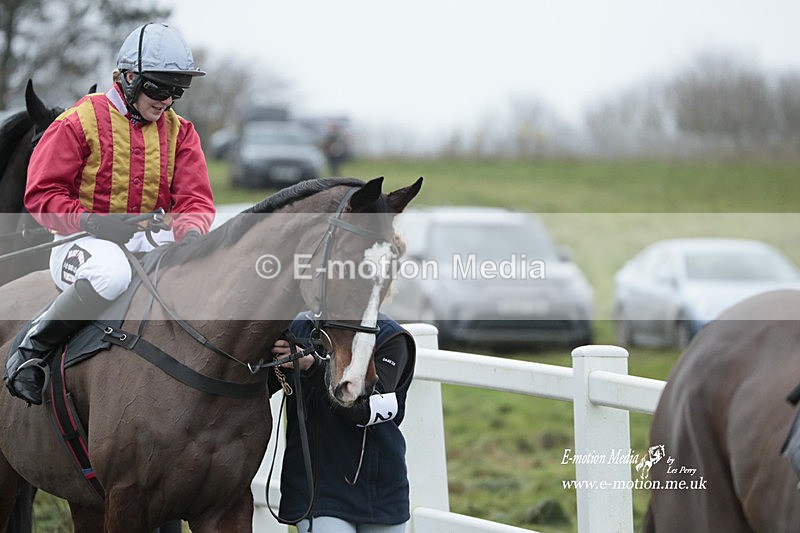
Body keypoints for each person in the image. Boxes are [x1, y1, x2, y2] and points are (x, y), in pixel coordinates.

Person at [4, 22, 215, 406]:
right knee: (112, 273)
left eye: (176, 90)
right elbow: (41, 196)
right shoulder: (78, 121)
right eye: (158, 86)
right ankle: (30, 350)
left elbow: (196, 203)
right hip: (80, 241)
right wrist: (92, 221)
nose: (167, 100)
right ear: (129, 77)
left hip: (151, 235)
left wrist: (191, 236)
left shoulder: (182, 132)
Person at [272, 311, 416, 533]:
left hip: (380, 490)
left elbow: (367, 410)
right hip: (318, 491)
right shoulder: (298, 328)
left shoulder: (392, 337)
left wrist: (314, 368)